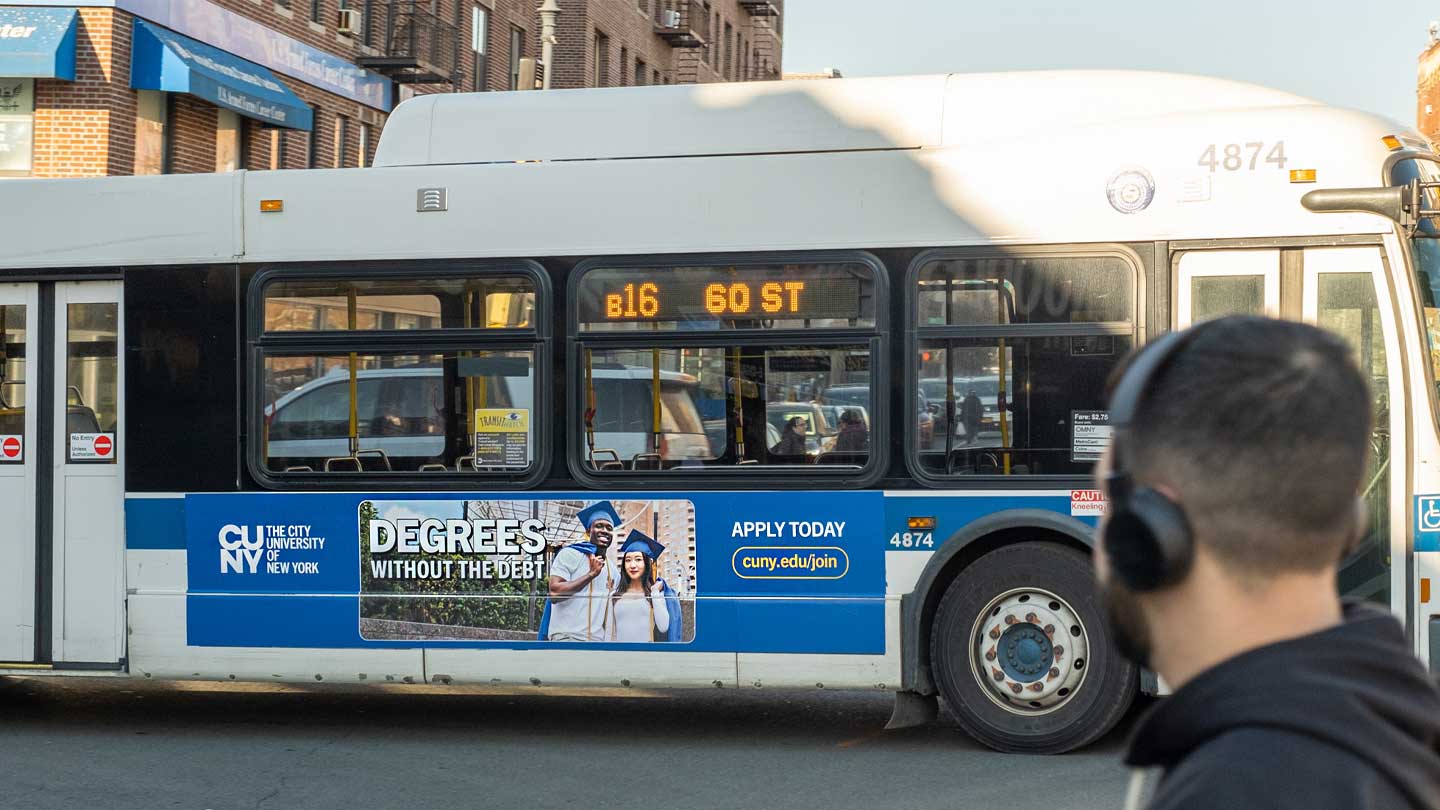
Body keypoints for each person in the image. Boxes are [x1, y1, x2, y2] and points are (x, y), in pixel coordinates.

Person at [1094, 316, 1440, 810]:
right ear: (1351, 524)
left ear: (1150, 530)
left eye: (1107, 511)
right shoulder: (1395, 725)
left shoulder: (1232, 789)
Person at [541, 500, 620, 641]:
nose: (604, 531)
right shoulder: (570, 554)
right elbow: (554, 593)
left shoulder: (613, 570)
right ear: (588, 531)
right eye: (599, 526)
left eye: (609, 528)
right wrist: (591, 575)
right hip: (566, 637)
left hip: (596, 642)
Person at [608, 530, 675, 643]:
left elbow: (663, 627)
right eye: (628, 560)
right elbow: (609, 632)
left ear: (647, 563)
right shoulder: (614, 596)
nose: (632, 565)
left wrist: (654, 592)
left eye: (638, 559)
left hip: (645, 651)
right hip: (620, 652)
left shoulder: (654, 595)